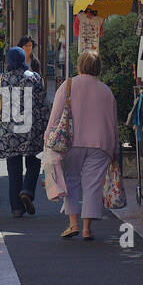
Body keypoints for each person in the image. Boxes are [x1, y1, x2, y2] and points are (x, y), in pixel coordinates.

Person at [46, 50, 118, 241]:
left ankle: (73, 224)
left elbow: (55, 115)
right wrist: (115, 149)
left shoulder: (68, 85)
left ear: (79, 66)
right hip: (100, 144)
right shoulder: (106, 91)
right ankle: (87, 228)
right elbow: (112, 123)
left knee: (70, 181)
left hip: (70, 142)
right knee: (93, 185)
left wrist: (47, 139)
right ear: (98, 68)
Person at [0, 46, 50, 218]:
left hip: (8, 131)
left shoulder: (1, 79)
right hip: (31, 129)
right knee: (33, 163)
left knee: (13, 169)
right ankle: (27, 190)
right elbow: (43, 105)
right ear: (24, 60)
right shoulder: (35, 78)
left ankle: (16, 209)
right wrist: (46, 126)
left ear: (9, 60)